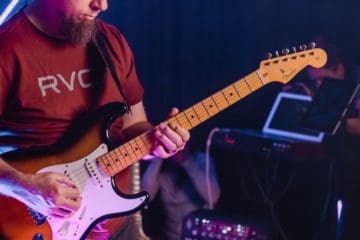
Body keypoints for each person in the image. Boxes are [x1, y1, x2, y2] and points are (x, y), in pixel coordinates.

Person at [0, 0, 190, 239]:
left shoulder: (110, 41)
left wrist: (159, 143)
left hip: (118, 227)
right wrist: (24, 187)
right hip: (36, 228)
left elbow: (134, 125)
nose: (102, 5)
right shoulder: (6, 49)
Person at [140, 145, 221, 240]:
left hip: (199, 235)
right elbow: (144, 197)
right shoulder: (164, 168)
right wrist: (157, 159)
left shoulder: (201, 159)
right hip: (171, 236)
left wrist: (186, 161)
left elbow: (213, 197)